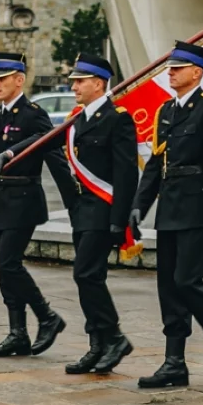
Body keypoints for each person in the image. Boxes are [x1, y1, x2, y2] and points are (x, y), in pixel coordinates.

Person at [0, 52, 75, 358]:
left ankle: (47, 316)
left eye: (2, 79)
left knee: (8, 263)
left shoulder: (32, 114)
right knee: (4, 267)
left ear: (19, 80)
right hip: (1, 199)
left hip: (25, 198)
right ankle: (17, 332)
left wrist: (74, 203)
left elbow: (51, 147)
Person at [130, 41, 203, 388]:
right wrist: (139, 205)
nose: (171, 73)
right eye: (170, 68)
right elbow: (156, 165)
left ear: (197, 72)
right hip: (170, 210)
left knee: (187, 282)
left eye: (178, 68)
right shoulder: (166, 111)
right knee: (168, 287)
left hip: (197, 209)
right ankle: (174, 362)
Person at [55, 53, 138, 375]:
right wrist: (9, 153)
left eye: (80, 81)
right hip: (82, 210)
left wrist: (120, 219)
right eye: (74, 81)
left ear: (99, 84)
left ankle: (114, 337)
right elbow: (43, 142)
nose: (73, 86)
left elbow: (126, 173)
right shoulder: (77, 119)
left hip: (103, 210)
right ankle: (98, 344)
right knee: (90, 276)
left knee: (85, 274)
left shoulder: (117, 118)